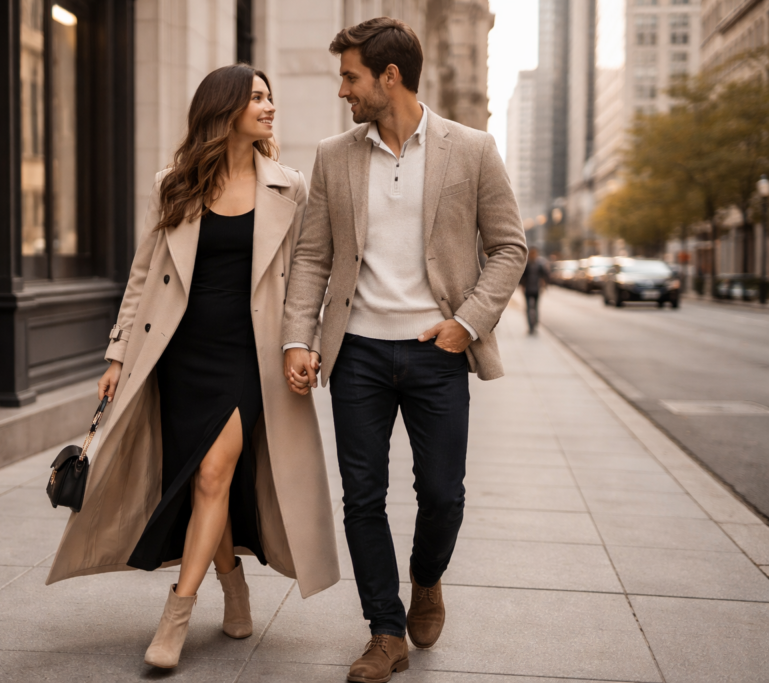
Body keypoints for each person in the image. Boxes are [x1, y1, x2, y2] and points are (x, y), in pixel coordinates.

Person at [45, 64, 339, 670]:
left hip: (248, 356)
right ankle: (232, 583)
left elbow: (306, 276)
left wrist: (303, 342)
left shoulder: (289, 187)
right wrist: (118, 353)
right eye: (256, 97)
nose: (269, 106)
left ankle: (175, 616)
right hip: (178, 356)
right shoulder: (174, 185)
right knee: (208, 482)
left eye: (270, 96)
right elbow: (142, 276)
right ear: (224, 109)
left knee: (212, 475)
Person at [281, 18, 526, 683]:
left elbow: (510, 247)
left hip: (436, 350)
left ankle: (426, 576)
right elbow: (313, 255)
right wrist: (299, 337)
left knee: (443, 494)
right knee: (362, 497)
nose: (343, 90)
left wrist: (467, 323)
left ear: (389, 77)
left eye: (351, 77)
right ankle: (385, 632)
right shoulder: (334, 154)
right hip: (357, 351)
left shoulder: (471, 149)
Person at [520, 247, 549, 334]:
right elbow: (522, 276)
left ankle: (535, 324)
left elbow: (545, 275)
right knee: (528, 308)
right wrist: (522, 286)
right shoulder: (526, 265)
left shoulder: (539, 265)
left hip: (536, 289)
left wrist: (544, 284)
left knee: (535, 308)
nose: (533, 255)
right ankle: (530, 326)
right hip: (528, 289)